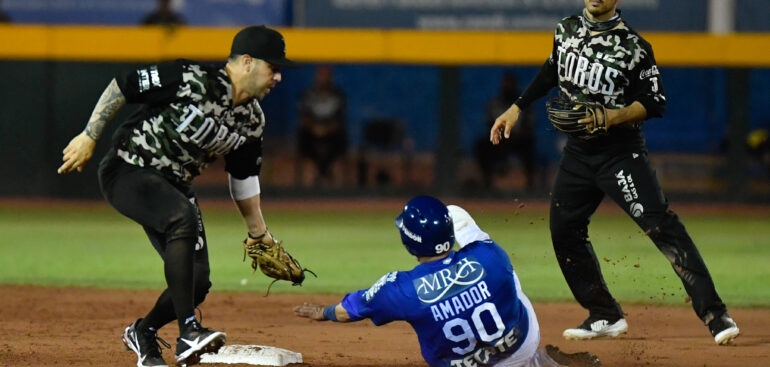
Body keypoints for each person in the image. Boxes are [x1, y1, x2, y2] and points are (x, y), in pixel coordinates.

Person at [489, 0, 739, 345]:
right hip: (578, 154)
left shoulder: (634, 47)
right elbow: (551, 69)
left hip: (620, 154)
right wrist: (517, 107)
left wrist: (611, 116)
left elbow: (654, 102)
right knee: (564, 230)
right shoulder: (566, 29)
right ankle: (604, 314)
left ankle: (715, 313)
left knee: (662, 227)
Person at [57, 25, 298, 366]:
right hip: (128, 168)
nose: (278, 78)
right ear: (247, 62)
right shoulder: (190, 78)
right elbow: (124, 85)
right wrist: (89, 135)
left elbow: (243, 178)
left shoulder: (251, 121)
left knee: (197, 282)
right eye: (273, 68)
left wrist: (259, 233)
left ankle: (143, 332)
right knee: (180, 216)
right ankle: (188, 333)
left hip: (174, 185)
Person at [294, 196, 600, 367]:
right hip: (521, 343)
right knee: (507, 282)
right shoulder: (489, 256)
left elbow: (351, 310)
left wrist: (323, 312)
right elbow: (465, 230)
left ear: (409, 242)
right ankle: (538, 363)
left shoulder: (399, 289)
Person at [475, 72, 537, 190]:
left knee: (529, 146)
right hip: (499, 139)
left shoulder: (524, 103)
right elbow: (489, 124)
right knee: (482, 145)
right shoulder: (495, 103)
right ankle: (487, 185)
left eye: (510, 84)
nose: (508, 87)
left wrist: (517, 134)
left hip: (519, 140)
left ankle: (531, 186)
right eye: (505, 84)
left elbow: (530, 126)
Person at [296, 65, 348, 186]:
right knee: (304, 141)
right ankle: (307, 195)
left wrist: (325, 130)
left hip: (332, 137)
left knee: (340, 142)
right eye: (321, 75)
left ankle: (337, 194)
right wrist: (316, 129)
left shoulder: (338, 95)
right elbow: (304, 117)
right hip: (311, 136)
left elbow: (340, 120)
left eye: (326, 75)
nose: (323, 78)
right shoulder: (308, 95)